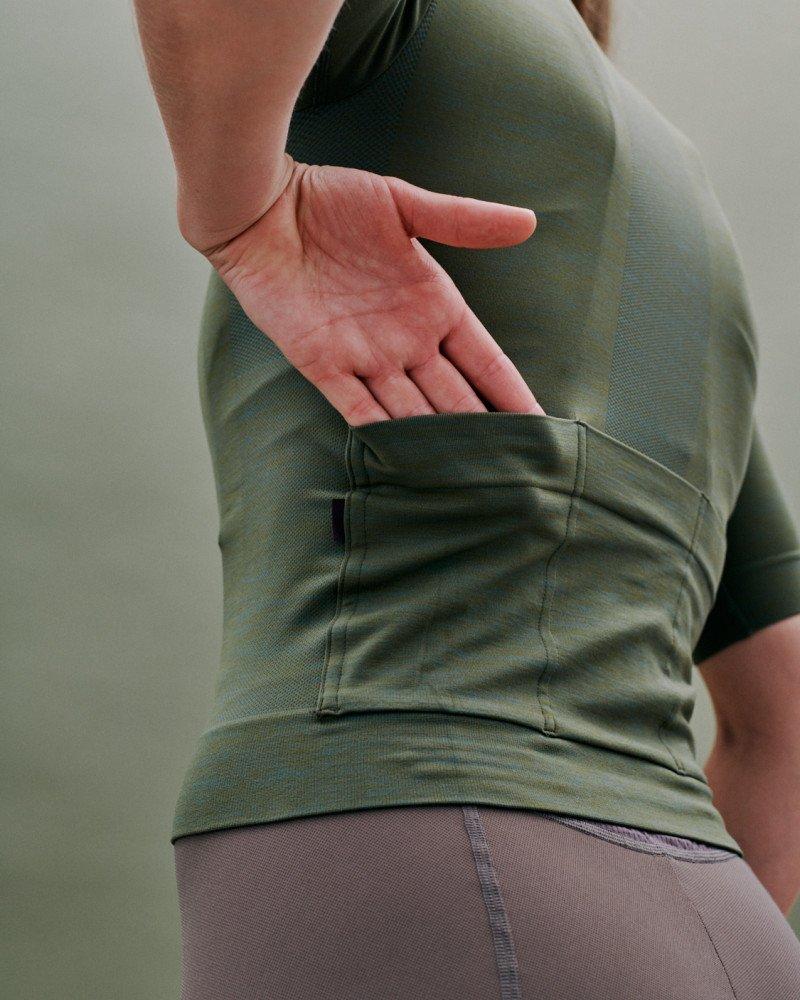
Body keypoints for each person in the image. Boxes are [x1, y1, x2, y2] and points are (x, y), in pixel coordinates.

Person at [132, 1, 800, 996]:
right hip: (724, 924)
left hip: (411, 844)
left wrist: (234, 213)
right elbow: (785, 707)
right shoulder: (688, 212)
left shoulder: (426, 26)